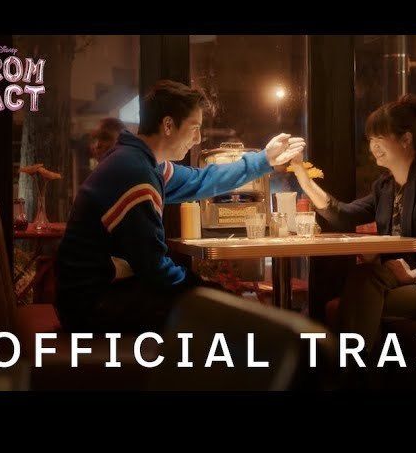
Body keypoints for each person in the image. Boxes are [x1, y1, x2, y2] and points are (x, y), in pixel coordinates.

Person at [56, 79, 305, 332]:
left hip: (97, 294)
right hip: (92, 304)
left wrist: (264, 159)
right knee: (220, 311)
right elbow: (155, 269)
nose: (197, 139)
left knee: (220, 302)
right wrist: (206, 291)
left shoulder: (140, 161)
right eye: (194, 128)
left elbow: (202, 180)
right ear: (168, 125)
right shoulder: (135, 174)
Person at [290, 94, 416, 354]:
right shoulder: (384, 187)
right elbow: (343, 215)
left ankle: (350, 367)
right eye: (371, 139)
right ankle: (355, 368)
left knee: (361, 293)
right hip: (404, 281)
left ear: (406, 139)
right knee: (362, 278)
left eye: (380, 138)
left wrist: (413, 274)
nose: (373, 146)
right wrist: (302, 176)